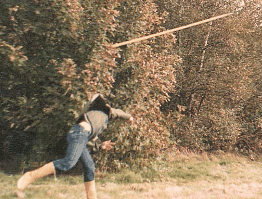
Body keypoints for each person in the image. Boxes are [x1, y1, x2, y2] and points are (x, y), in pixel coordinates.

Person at [17, 93, 134, 199]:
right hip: (79, 134)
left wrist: (100, 146)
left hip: (81, 136)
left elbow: (89, 142)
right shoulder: (104, 112)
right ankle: (31, 176)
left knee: (89, 166)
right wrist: (130, 117)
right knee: (68, 163)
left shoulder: (97, 122)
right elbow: (118, 112)